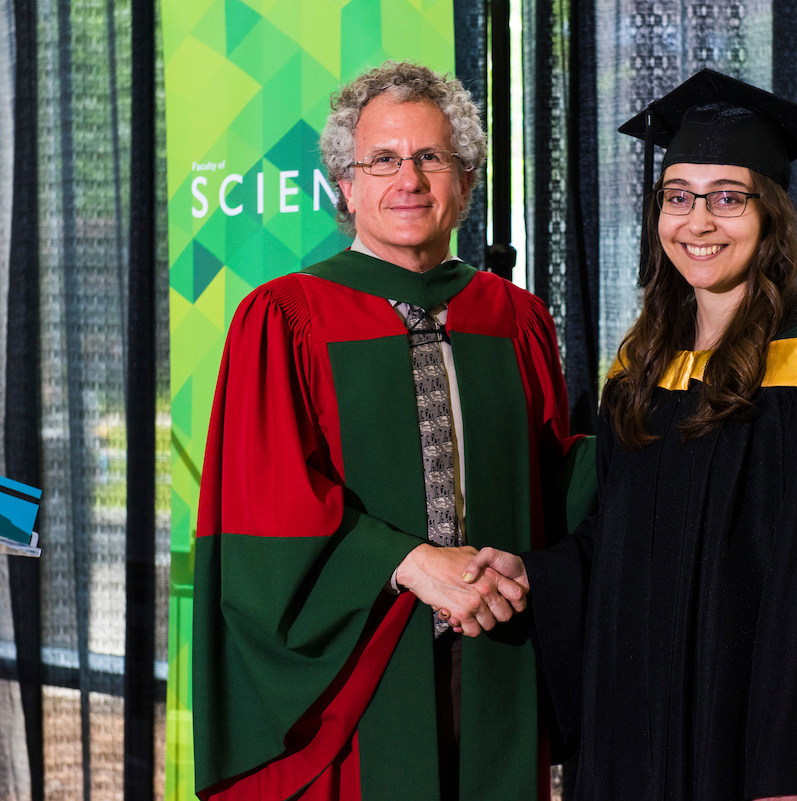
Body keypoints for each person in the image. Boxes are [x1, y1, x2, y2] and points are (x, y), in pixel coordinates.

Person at [458, 69, 797, 800]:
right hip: (636, 739)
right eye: (678, 198)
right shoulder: (640, 371)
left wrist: (791, 773)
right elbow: (611, 547)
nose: (698, 222)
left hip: (751, 751)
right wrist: (534, 577)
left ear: (770, 215)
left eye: (728, 199)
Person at [190, 61, 593, 801]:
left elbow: (550, 485)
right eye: (383, 159)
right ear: (346, 186)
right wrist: (410, 560)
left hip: (496, 661)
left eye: (431, 157)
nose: (408, 179)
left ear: (466, 183)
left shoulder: (515, 318)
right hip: (358, 669)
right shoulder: (283, 317)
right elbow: (268, 505)